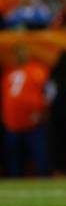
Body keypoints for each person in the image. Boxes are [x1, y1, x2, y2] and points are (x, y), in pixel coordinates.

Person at [1, 44, 50, 177]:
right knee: (14, 161)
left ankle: (45, 184)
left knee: (40, 158)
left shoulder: (37, 70)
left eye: (21, 53)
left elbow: (47, 92)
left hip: (34, 124)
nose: (19, 56)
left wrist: (43, 112)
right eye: (17, 53)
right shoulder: (8, 74)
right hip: (12, 124)